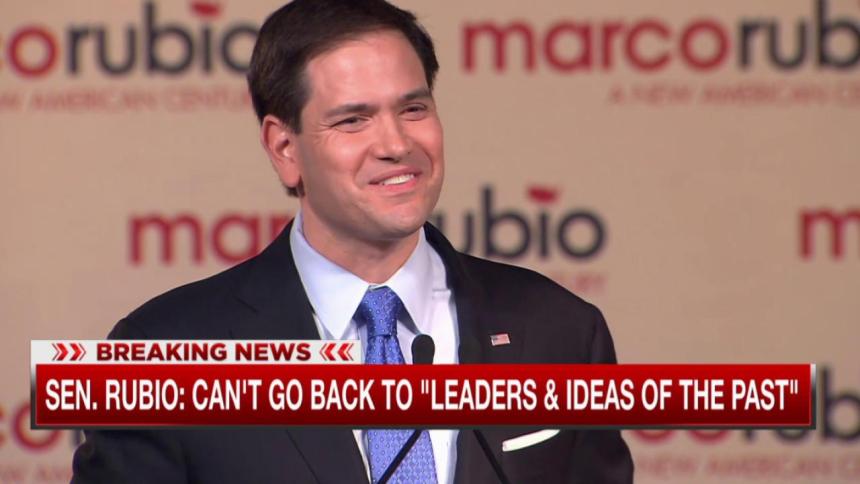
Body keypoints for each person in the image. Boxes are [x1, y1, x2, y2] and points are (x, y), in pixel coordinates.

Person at [72, 0, 633, 482]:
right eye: (353, 121)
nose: (396, 144)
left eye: (413, 109)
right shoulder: (159, 356)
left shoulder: (560, 331)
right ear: (284, 149)